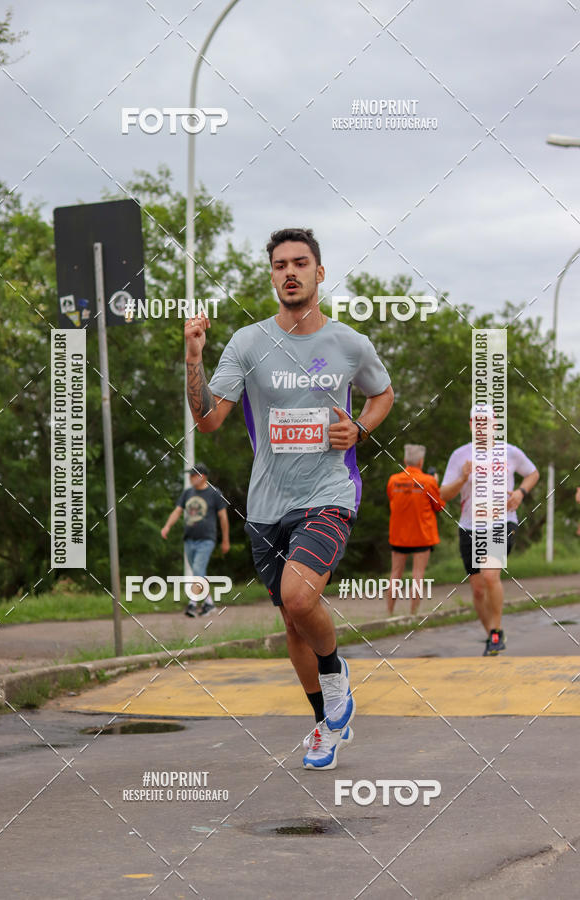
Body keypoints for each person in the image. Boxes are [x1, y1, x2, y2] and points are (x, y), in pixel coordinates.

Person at [184, 227, 394, 769]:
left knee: (302, 599)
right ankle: (324, 723)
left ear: (320, 273)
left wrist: (361, 428)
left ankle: (335, 672)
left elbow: (383, 393)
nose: (290, 272)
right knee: (291, 621)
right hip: (266, 504)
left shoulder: (349, 343)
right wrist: (193, 357)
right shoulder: (249, 343)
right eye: (280, 265)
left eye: (301, 263)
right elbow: (208, 421)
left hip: (329, 493)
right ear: (272, 275)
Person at [440, 405, 539, 655]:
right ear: (471, 424)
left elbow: (532, 473)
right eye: (477, 421)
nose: (482, 425)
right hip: (470, 526)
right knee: (477, 588)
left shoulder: (510, 452)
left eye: (487, 421)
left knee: (490, 574)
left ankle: (495, 631)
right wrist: (462, 478)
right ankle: (493, 636)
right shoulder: (460, 455)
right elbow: (442, 495)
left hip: (501, 522)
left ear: (495, 424)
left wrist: (520, 492)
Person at [161, 462, 230, 617]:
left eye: (193, 475)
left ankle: (192, 604)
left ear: (203, 476)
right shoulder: (187, 493)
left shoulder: (214, 493)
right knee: (199, 573)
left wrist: (225, 540)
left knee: (198, 571)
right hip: (189, 539)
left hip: (207, 539)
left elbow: (223, 517)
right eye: (190, 475)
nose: (191, 478)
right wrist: (167, 526)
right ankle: (209, 604)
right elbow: (177, 511)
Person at [386, 444, 445, 615]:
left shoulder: (393, 480)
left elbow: (392, 499)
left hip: (399, 536)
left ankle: (389, 613)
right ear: (421, 461)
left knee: (395, 574)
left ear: (405, 460)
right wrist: (436, 483)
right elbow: (439, 506)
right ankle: (413, 614)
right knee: (417, 575)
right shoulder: (428, 481)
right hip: (422, 535)